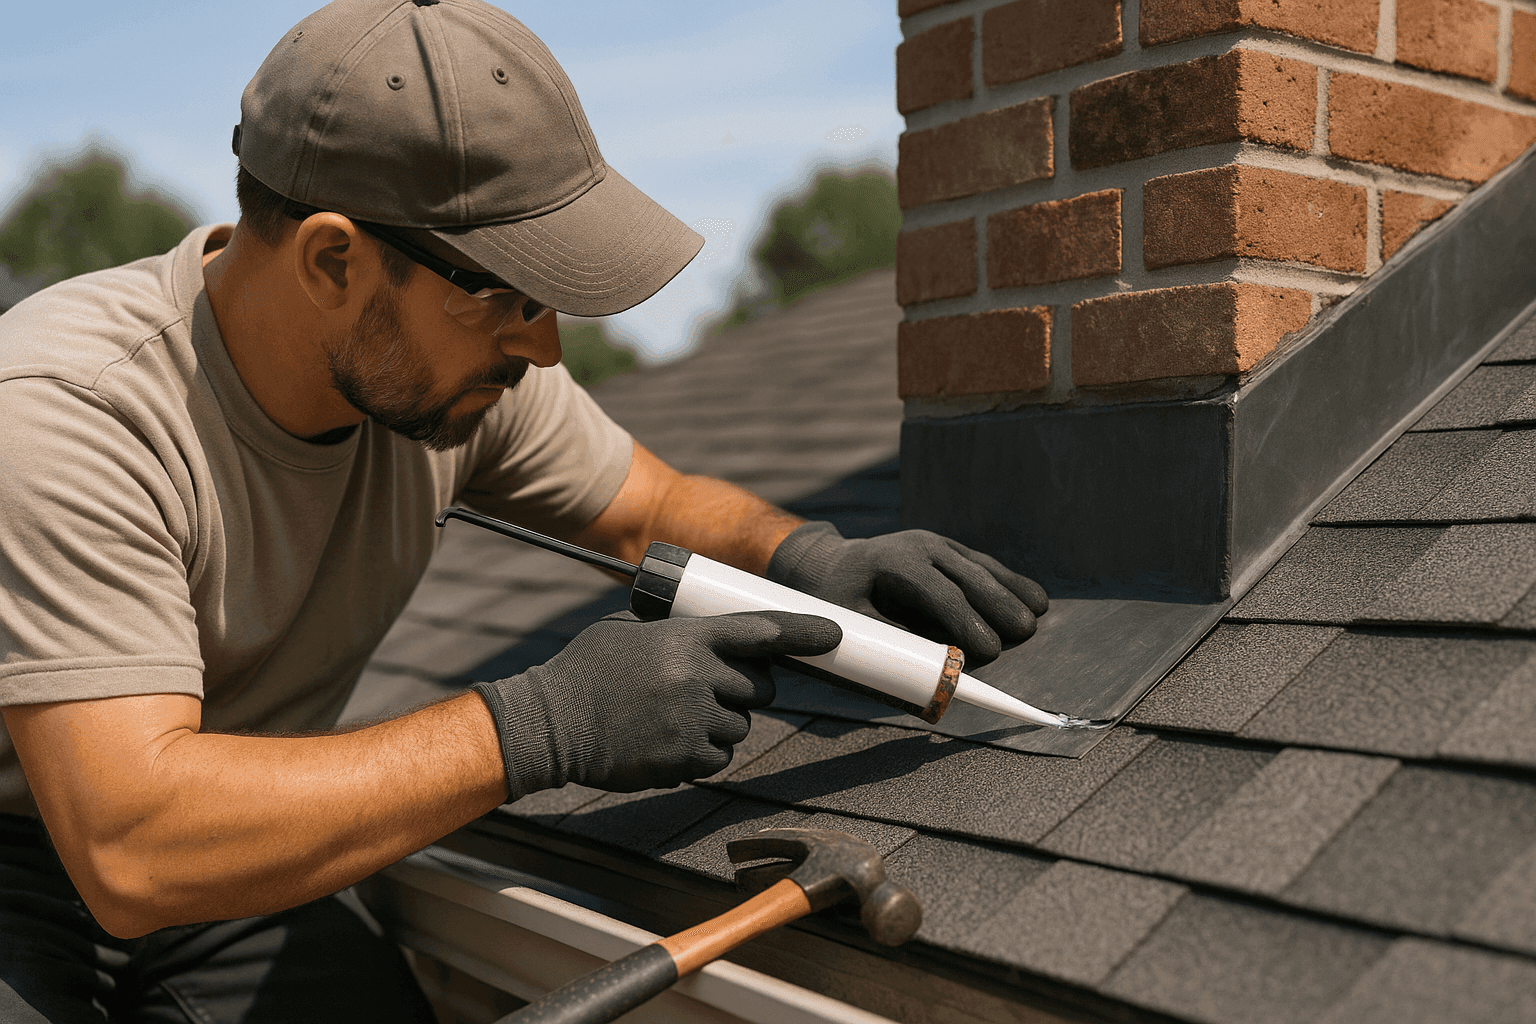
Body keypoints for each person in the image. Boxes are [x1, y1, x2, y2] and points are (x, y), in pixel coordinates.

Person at [0, 1, 1048, 1021]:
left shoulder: (442, 370)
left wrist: (806, 555)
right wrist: (541, 725)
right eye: (510, 292)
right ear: (332, 259)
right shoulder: (70, 415)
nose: (544, 348)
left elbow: (649, 503)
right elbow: (133, 845)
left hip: (228, 839)